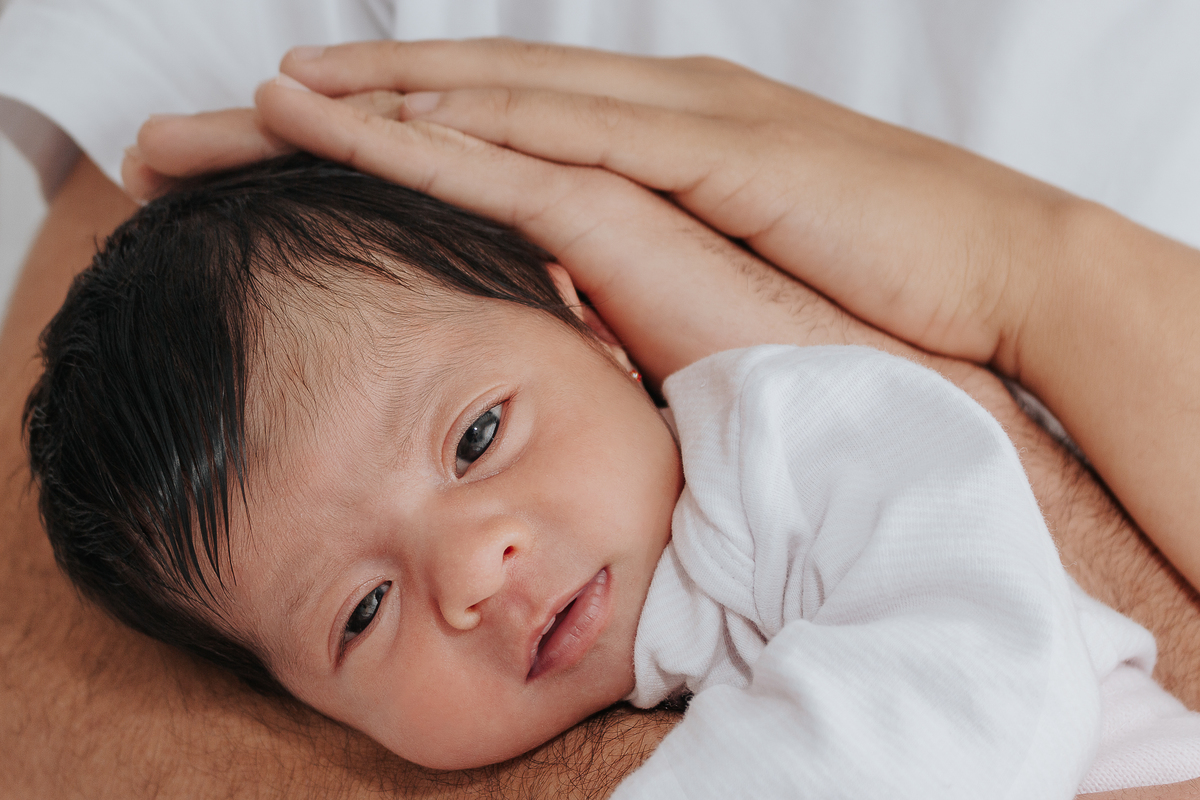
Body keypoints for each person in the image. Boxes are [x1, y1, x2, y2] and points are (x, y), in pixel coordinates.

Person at [3, 5, 1200, 798]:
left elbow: (973, 639)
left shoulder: (796, 436)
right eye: (359, 613)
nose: (472, 572)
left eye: (478, 435)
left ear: (606, 333)